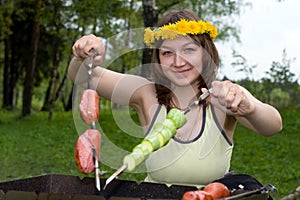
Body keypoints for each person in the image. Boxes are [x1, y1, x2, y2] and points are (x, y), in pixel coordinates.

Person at [68, 9, 282, 188]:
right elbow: (80, 76)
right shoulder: (145, 93)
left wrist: (249, 106)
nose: (178, 62)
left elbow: (273, 126)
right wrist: (84, 55)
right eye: (167, 53)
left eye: (188, 49)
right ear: (158, 58)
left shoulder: (223, 97)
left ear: (205, 51)